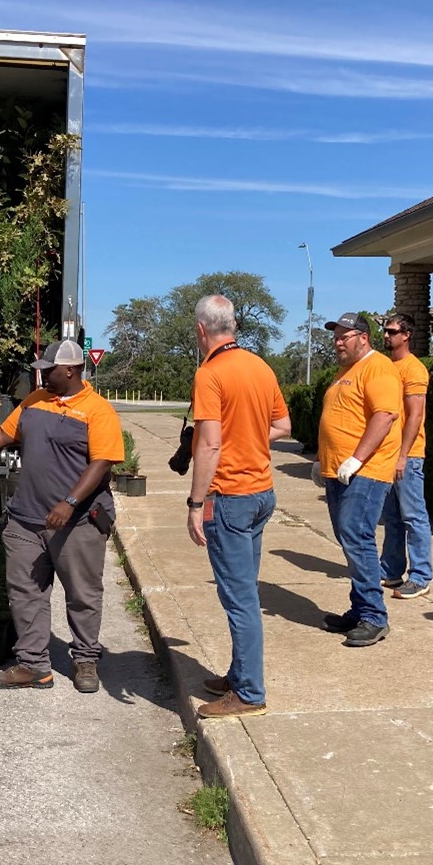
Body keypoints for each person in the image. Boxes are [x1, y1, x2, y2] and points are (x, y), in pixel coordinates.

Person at [0, 340, 124, 693]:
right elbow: (3, 433)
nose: (41, 373)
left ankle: (85, 659)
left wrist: (69, 502)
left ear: (70, 370)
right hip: (26, 518)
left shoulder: (98, 411)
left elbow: (102, 463)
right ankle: (34, 665)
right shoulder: (34, 401)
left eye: (49, 368)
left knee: (83, 594)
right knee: (25, 592)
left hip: (77, 522)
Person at [186, 295, 292, 720]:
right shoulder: (260, 367)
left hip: (230, 498)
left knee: (239, 597)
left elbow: (209, 443)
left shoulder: (210, 374)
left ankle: (249, 692)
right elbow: (283, 425)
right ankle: (239, 672)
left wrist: (196, 503)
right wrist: (248, 439)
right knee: (245, 587)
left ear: (201, 330)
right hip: (262, 493)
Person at [315, 312, 403, 647]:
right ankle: (359, 607)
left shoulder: (378, 368)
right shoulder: (344, 372)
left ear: (363, 337)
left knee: (357, 536)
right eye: (335, 336)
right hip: (338, 472)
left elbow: (384, 416)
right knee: (349, 538)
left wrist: (356, 458)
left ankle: (374, 616)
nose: (338, 342)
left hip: (366, 470)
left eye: (344, 336)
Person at [379, 313, 433, 600]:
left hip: (408, 455)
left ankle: (421, 575)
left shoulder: (414, 369)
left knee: (414, 516)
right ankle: (390, 569)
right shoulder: (388, 367)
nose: (386, 336)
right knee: (392, 517)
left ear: (406, 335)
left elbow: (415, 416)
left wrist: (402, 456)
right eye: (385, 331)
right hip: (388, 455)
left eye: (392, 331)